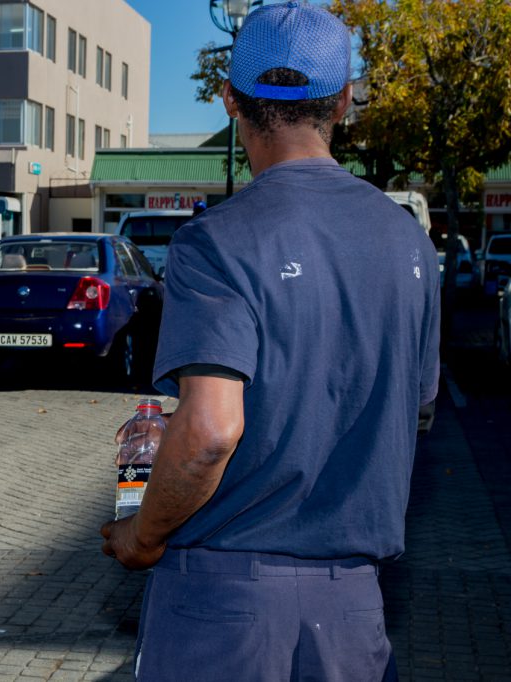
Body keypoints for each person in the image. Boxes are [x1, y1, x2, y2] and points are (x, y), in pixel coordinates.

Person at [100, 4, 440, 680]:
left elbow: (212, 431)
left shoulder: (216, 242)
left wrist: (142, 536)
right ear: (343, 101)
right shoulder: (409, 242)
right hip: (353, 614)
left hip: (224, 609)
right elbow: (414, 407)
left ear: (231, 100)